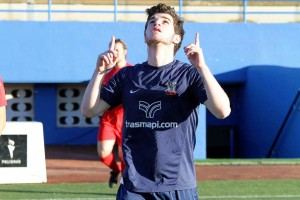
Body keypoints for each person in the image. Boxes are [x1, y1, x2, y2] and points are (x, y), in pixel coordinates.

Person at [81, 3, 231, 200]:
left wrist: (202, 67)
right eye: (152, 21)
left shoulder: (189, 75)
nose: (156, 23)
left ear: (177, 38)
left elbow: (222, 111)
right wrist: (99, 72)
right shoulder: (128, 75)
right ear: (145, 36)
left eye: (164, 21)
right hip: (134, 186)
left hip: (178, 184)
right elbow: (89, 110)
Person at [96, 39, 132, 188]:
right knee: (103, 153)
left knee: (125, 157)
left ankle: (126, 189)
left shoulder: (133, 71)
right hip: (109, 119)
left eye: (118, 49)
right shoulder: (106, 74)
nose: (115, 53)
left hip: (127, 119)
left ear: (125, 52)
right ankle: (115, 170)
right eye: (113, 50)